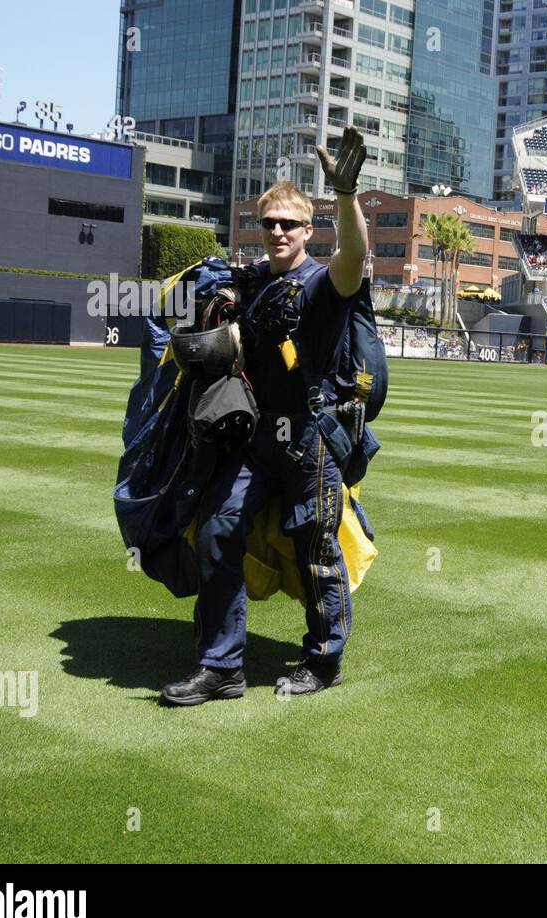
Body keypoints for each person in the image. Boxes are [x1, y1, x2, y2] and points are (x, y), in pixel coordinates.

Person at [159, 127, 370, 706]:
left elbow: (355, 258)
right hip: (254, 437)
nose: (277, 231)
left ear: (308, 230)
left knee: (318, 551)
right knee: (219, 531)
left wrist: (346, 197)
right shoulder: (249, 283)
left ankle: (324, 663)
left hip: (312, 439)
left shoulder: (325, 283)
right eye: (269, 222)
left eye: (289, 224)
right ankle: (221, 666)